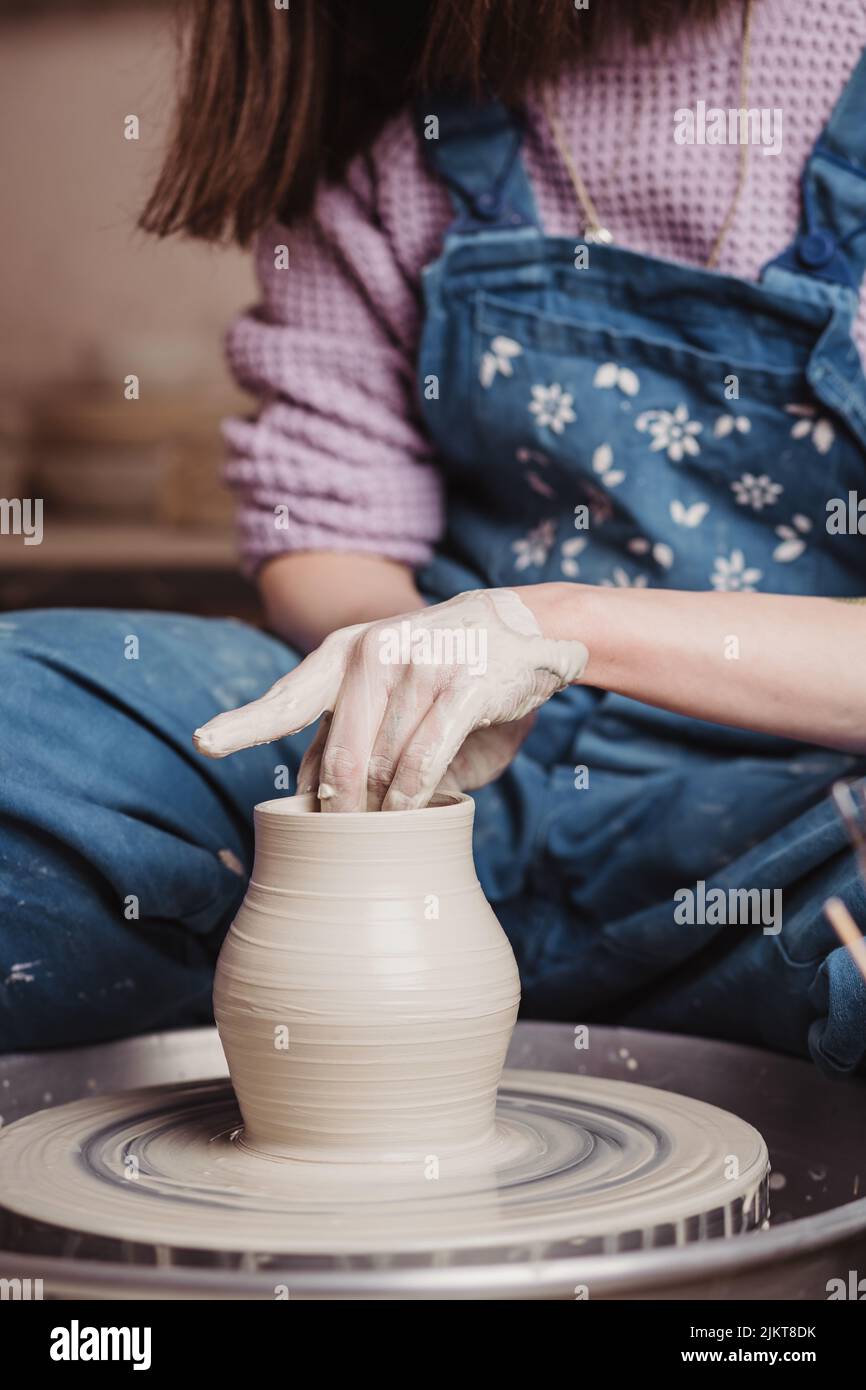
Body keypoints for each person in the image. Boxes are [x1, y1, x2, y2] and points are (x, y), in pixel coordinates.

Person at [3, 0, 866, 1074]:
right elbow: (329, 518)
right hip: (477, 787)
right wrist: (411, 693)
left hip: (801, 818)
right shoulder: (397, 79)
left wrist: (549, 630)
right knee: (20, 725)